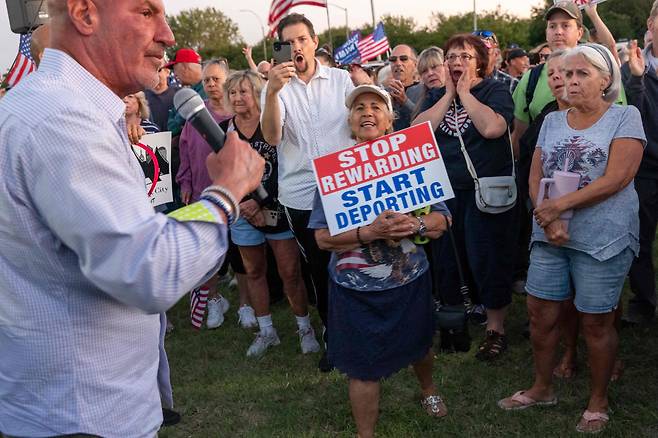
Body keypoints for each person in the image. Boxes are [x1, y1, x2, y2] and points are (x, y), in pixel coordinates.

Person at [0, 1, 265, 437]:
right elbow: (151, 269)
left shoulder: (68, 110)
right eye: (146, 12)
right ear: (85, 14)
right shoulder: (63, 120)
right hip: (81, 416)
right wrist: (227, 194)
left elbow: (142, 241)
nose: (167, 34)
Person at [498, 44, 646, 435]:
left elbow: (617, 178)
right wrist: (548, 217)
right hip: (550, 234)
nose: (571, 81)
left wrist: (557, 206)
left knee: (597, 320)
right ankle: (542, 387)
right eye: (567, 74)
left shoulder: (624, 117)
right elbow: (534, 174)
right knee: (539, 313)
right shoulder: (553, 121)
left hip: (602, 237)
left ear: (605, 80)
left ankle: (598, 401)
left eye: (582, 74)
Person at [309, 85, 451, 438]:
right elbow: (323, 237)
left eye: (376, 106)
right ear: (351, 122)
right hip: (354, 289)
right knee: (361, 367)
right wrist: (368, 233)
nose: (367, 112)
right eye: (359, 108)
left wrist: (415, 223)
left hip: (409, 280)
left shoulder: (415, 159)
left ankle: (428, 388)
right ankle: (365, 434)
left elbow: (442, 219)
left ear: (390, 121)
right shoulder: (335, 173)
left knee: (420, 344)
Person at [413, 34, 517, 361]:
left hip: (483, 193)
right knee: (448, 258)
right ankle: (456, 322)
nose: (457, 63)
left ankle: (496, 329)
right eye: (452, 57)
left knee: (487, 256)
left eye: (466, 57)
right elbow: (417, 131)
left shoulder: (495, 90)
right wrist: (446, 95)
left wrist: (466, 94)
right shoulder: (435, 95)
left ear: (480, 63)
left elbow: (492, 129)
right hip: (447, 192)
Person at [261, 13, 354, 372]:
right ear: (281, 48)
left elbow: (364, 120)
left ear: (315, 42)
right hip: (302, 195)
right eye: (289, 42)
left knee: (353, 260)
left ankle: (360, 328)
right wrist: (271, 91)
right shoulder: (275, 86)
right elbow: (271, 136)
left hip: (345, 187)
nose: (297, 47)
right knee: (319, 268)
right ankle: (333, 336)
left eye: (302, 39)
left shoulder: (342, 80)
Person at [220, 70, 320, 357]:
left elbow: (286, 166)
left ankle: (305, 328)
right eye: (233, 92)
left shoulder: (272, 122)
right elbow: (227, 172)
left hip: (276, 206)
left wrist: (263, 204)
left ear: (256, 93)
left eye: (244, 91)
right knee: (253, 272)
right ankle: (267, 331)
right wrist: (246, 204)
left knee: (289, 272)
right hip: (243, 211)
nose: (238, 97)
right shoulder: (227, 130)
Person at [177, 60, 237, 330]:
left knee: (240, 253)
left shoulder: (238, 113)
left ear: (227, 80)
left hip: (236, 194)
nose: (211, 84)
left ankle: (246, 304)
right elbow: (186, 152)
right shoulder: (196, 117)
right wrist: (185, 182)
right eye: (207, 80)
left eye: (216, 79)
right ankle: (212, 299)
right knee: (208, 253)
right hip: (204, 193)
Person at [623, 0, 658, 326]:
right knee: (641, 238)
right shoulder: (633, 67)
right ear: (651, 23)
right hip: (646, 168)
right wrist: (636, 78)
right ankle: (644, 301)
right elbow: (631, 113)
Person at [387, 44, 419, 130]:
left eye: (403, 59)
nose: (398, 63)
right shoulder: (383, 93)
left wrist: (405, 101)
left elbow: (429, 120)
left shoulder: (425, 90)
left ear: (415, 64)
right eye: (393, 60)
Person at [407, 46, 446, 118]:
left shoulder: (463, 97)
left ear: (446, 66)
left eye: (434, 67)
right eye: (424, 71)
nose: (430, 73)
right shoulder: (422, 104)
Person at [145, 60, 179, 132]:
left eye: (159, 70)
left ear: (167, 71)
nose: (155, 74)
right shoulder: (141, 97)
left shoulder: (179, 95)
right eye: (151, 70)